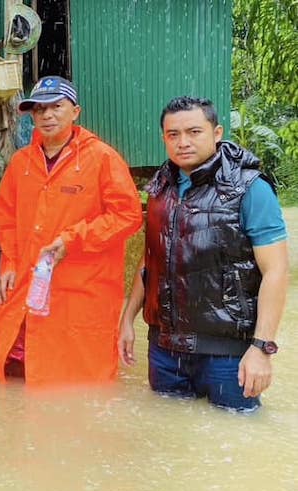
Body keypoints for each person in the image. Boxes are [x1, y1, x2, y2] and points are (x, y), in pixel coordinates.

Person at [119, 96, 288, 411]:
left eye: (194, 132)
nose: (183, 142)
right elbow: (152, 259)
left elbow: (276, 271)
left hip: (227, 354)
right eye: (173, 134)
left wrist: (262, 349)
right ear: (164, 138)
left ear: (217, 132)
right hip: (165, 350)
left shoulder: (249, 188)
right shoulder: (160, 188)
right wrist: (127, 319)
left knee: (235, 443)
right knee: (169, 437)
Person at [0, 76, 142, 384]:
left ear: (76, 112)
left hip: (82, 292)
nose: (47, 116)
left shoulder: (102, 158)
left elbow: (127, 216)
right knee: (15, 382)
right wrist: (8, 264)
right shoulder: (21, 163)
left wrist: (73, 240)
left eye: (56, 107)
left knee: (77, 387)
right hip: (26, 290)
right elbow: (6, 219)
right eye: (39, 109)